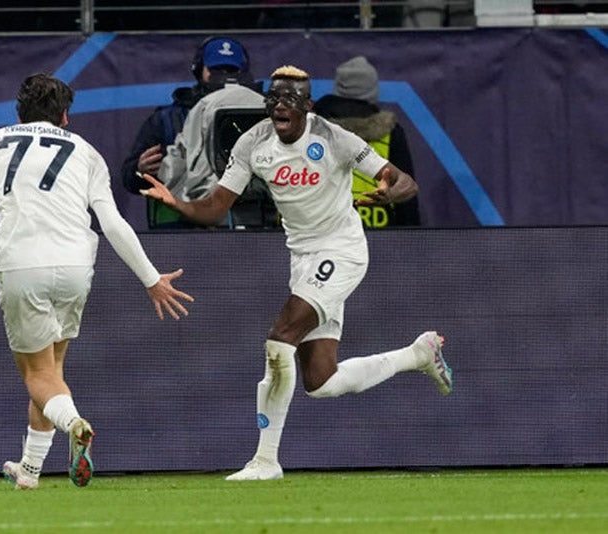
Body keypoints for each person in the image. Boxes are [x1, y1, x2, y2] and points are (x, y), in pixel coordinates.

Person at [141, 65, 452, 481]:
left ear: (307, 106)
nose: (278, 105)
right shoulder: (252, 142)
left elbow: (404, 182)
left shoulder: (334, 137)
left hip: (342, 252)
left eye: (289, 99)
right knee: (321, 381)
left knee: (279, 338)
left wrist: (388, 191)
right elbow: (216, 208)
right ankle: (417, 354)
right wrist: (178, 203)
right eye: (273, 97)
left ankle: (265, 461)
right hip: (303, 259)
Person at [0, 73, 194, 490]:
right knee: (52, 370)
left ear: (18, 112)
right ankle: (30, 471)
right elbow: (112, 224)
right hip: (76, 265)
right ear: (65, 116)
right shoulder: (89, 153)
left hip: (22, 264)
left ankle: (75, 424)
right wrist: (151, 278)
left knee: (36, 374)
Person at [120, 36, 260, 228]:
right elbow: (130, 179)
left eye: (231, 70)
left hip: (254, 229)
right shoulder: (168, 119)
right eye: (216, 70)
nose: (224, 76)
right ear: (198, 70)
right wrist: (140, 169)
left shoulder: (265, 115)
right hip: (181, 232)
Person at [313, 56, 421, 228]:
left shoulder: (316, 128)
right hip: (381, 231)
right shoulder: (390, 132)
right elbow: (405, 194)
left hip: (325, 227)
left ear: (338, 87)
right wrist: (412, 237)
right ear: (373, 91)